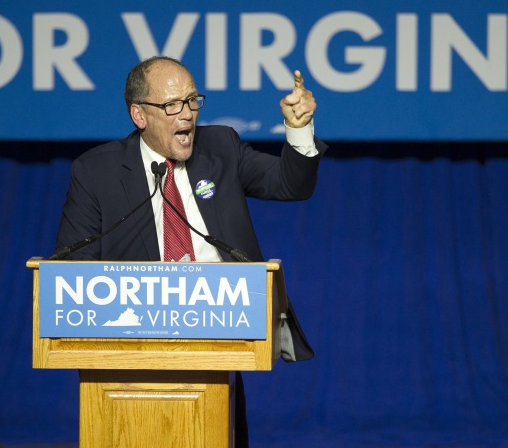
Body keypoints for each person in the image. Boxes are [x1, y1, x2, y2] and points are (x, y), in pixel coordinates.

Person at [53, 55, 327, 447]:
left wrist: (299, 130)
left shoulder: (221, 147)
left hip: (217, 349)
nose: (187, 115)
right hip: (132, 357)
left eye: (192, 101)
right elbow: (70, 266)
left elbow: (289, 185)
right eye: (171, 105)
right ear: (139, 115)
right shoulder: (96, 172)